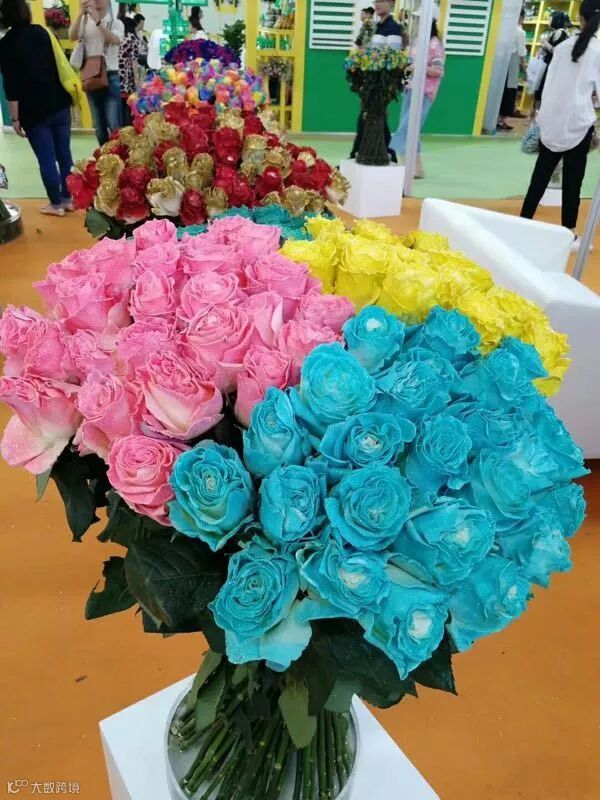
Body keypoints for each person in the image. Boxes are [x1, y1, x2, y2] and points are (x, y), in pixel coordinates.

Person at [521, 0, 600, 244]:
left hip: (552, 121)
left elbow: (549, 85)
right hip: (579, 123)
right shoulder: (597, 51)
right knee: (573, 182)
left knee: (540, 176)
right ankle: (568, 233)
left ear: (579, 16)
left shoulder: (563, 47)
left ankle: (522, 222)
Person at [0, 0, 74, 216]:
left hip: (33, 111)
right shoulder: (43, 33)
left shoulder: (5, 44)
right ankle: (68, 199)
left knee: (46, 159)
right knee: (65, 155)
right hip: (59, 102)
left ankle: (56, 204)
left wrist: (15, 119)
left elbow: (11, 86)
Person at [390, 6, 445, 178]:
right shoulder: (417, 41)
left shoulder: (435, 45)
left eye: (420, 19)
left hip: (424, 93)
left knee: (406, 129)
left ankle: (398, 162)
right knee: (409, 129)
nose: (417, 21)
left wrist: (418, 67)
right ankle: (416, 168)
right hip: (410, 90)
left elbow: (438, 71)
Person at [350, 0, 405, 160]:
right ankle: (388, 156)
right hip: (370, 82)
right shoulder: (375, 27)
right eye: (376, 1)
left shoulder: (393, 28)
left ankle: (357, 155)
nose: (377, 4)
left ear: (391, 3)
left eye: (382, 1)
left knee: (369, 120)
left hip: (381, 85)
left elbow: (392, 59)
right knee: (373, 121)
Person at [69, 0, 124, 145]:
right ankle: (104, 155)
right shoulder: (84, 21)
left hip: (111, 75)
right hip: (91, 75)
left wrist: (99, 23)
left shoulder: (116, 23)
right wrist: (80, 14)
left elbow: (115, 40)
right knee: (99, 125)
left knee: (114, 124)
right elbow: (72, 36)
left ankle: (118, 154)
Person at [498, 9, 527, 130]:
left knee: (499, 90)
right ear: (520, 17)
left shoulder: (502, 28)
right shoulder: (520, 32)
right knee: (509, 91)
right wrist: (525, 69)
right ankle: (502, 120)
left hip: (500, 63)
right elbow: (521, 53)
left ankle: (495, 118)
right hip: (512, 64)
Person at [535, 11, 571, 104]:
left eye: (550, 19)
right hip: (548, 65)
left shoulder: (560, 32)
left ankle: (538, 111)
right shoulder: (555, 32)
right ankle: (535, 111)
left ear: (556, 20)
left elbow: (557, 51)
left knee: (542, 92)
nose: (548, 21)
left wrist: (545, 42)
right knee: (540, 91)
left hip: (551, 66)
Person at [119, 16, 140, 125]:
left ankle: (120, 127)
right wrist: (136, 79)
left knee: (119, 104)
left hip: (116, 73)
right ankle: (128, 127)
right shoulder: (132, 38)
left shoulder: (118, 37)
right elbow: (134, 60)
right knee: (129, 103)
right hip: (127, 75)